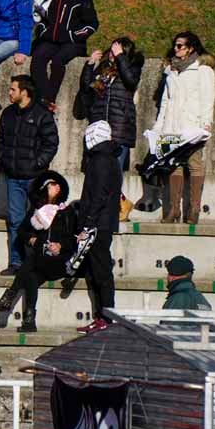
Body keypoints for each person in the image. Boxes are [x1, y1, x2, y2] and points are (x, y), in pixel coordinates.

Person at [0, 171, 77, 332]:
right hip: (41, 261)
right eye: (52, 184)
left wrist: (61, 246)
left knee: (30, 262)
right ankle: (29, 321)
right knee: (31, 276)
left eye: (57, 184)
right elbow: (22, 231)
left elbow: (73, 239)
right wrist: (31, 239)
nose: (57, 186)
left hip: (58, 261)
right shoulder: (36, 211)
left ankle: (9, 296)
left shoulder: (65, 212)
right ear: (44, 189)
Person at [0, 75, 59, 275]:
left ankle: (34, 262)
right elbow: (0, 140)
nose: (9, 92)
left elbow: (51, 144)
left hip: (34, 178)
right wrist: (3, 160)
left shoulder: (42, 115)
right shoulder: (8, 114)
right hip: (13, 177)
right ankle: (16, 262)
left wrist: (37, 164)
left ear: (24, 92)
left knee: (37, 221)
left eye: (13, 89)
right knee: (15, 220)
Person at [150, 32, 215, 224]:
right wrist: (159, 126)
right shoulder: (171, 71)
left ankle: (194, 209)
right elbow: (165, 101)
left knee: (194, 164)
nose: (176, 49)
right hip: (172, 125)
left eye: (180, 46)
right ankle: (174, 209)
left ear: (191, 48)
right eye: (175, 45)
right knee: (174, 165)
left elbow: (207, 99)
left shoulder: (203, 70)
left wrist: (205, 123)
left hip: (191, 125)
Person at [78, 37, 144, 222]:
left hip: (119, 127)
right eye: (113, 49)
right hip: (99, 128)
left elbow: (131, 81)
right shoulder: (104, 69)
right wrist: (90, 65)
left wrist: (121, 57)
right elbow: (86, 88)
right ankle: (107, 208)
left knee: (113, 172)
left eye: (118, 50)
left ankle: (112, 210)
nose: (113, 53)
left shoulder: (133, 65)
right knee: (96, 171)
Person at [30, 0, 98, 111]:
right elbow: (39, 19)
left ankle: (49, 98)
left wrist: (73, 35)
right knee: (37, 59)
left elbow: (92, 24)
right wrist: (43, 31)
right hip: (51, 41)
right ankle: (44, 98)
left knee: (57, 61)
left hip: (73, 43)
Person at [76, 120, 122, 334]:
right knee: (96, 272)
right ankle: (102, 317)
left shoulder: (101, 159)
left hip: (98, 225)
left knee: (101, 272)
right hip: (102, 222)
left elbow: (99, 194)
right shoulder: (109, 158)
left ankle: (106, 317)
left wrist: (88, 223)